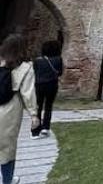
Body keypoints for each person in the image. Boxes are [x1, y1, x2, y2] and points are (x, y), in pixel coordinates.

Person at [0, 34, 39, 184]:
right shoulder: (25, 67)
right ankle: (7, 180)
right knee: (7, 148)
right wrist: (34, 115)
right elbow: (28, 93)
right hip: (10, 109)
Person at [31, 41, 63, 138]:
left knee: (38, 107)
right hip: (52, 85)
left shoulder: (37, 61)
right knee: (48, 106)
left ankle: (35, 131)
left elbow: (34, 73)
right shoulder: (58, 59)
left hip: (39, 85)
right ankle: (45, 128)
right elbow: (60, 73)